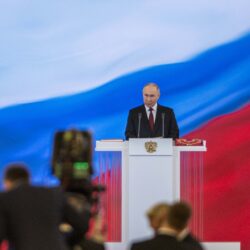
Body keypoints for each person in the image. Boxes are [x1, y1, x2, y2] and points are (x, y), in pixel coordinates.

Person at [0, 163, 90, 250]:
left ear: (7, 182)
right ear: (28, 179)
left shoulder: (5, 198)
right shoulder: (53, 194)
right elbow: (82, 225)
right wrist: (66, 243)